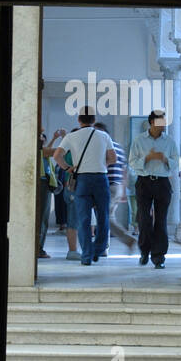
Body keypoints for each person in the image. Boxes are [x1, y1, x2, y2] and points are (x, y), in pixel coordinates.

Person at [53, 109, 115, 266]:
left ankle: (86, 255)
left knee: (84, 218)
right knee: (103, 216)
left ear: (79, 120)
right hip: (100, 178)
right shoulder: (104, 136)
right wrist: (102, 165)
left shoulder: (71, 136)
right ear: (94, 120)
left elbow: (57, 156)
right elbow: (113, 158)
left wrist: (68, 168)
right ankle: (99, 249)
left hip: (82, 179)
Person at [128, 109, 180, 268]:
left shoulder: (169, 141)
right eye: (160, 122)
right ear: (152, 122)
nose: (163, 125)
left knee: (161, 220)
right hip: (144, 181)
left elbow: (176, 162)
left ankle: (159, 257)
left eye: (165, 122)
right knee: (144, 219)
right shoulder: (139, 140)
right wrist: (147, 158)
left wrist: (165, 159)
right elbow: (132, 162)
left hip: (163, 182)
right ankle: (144, 251)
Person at [95, 121, 135, 252]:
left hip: (108, 186)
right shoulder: (118, 146)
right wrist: (123, 190)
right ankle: (104, 247)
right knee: (108, 216)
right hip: (116, 187)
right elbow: (124, 171)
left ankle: (127, 240)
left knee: (106, 217)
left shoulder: (104, 146)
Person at [37, 127, 63, 258]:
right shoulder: (41, 151)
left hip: (42, 184)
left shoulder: (39, 151)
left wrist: (54, 138)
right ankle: (39, 249)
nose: (43, 138)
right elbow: (57, 152)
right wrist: (65, 139)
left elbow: (47, 149)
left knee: (40, 218)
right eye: (41, 136)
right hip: (43, 185)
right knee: (42, 219)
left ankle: (37, 248)